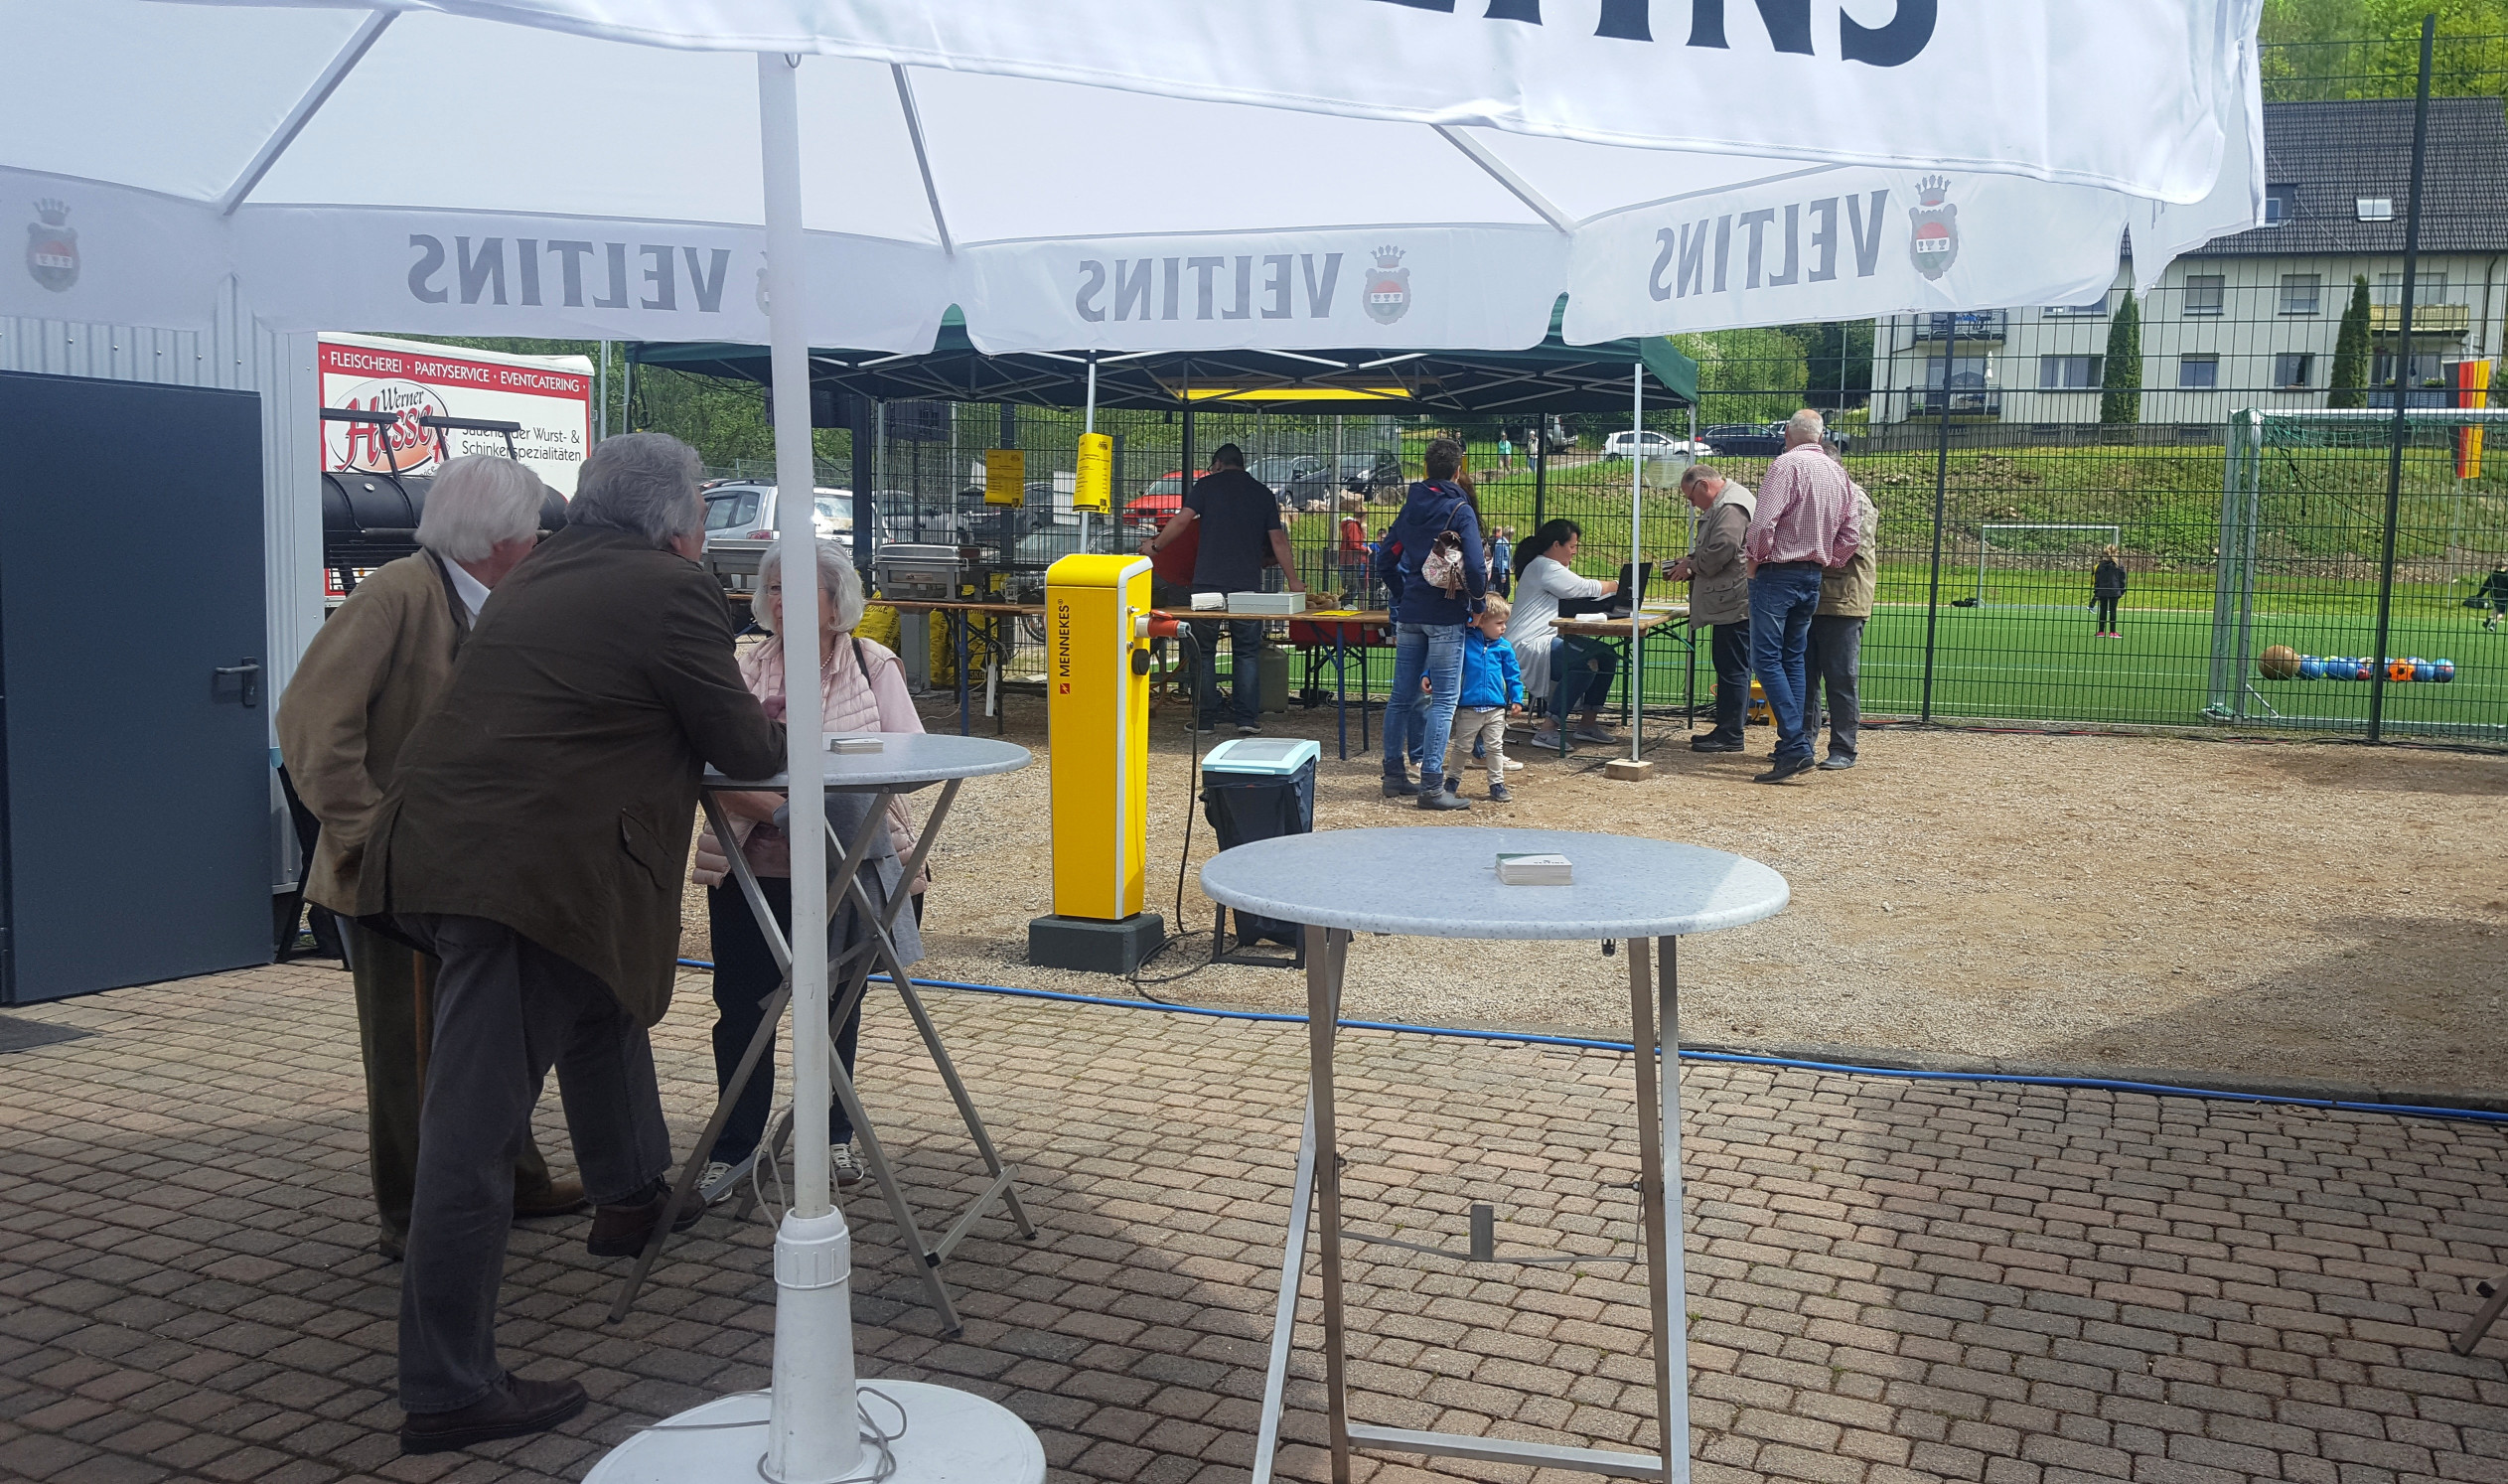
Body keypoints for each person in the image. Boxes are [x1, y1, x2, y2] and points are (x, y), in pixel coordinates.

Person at [356, 433, 786, 1456]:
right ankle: (448, 1387)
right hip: (522, 878)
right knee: (471, 1136)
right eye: (700, 514)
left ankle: (628, 1197)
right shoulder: (669, 588)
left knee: (602, 1001)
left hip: (467, 854)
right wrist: (775, 724)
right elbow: (742, 744)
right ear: (678, 523)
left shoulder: (537, 573)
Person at [277, 456, 585, 1262]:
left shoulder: (495, 597)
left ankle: (513, 1178)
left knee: (495, 1041)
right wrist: (371, 835)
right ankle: (414, 1215)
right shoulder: (396, 594)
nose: (542, 543)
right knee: (411, 1053)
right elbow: (310, 724)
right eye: (535, 531)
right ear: (499, 537)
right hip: (400, 883)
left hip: (484, 874)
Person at [691, 541, 922, 1203]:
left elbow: (912, 761)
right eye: (772, 588)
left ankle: (833, 1135)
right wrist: (785, 808)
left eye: (798, 587)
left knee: (837, 1007)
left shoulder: (873, 664)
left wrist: (822, 795)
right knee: (742, 1009)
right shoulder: (739, 670)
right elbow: (704, 766)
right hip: (752, 867)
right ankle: (733, 1148)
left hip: (849, 865)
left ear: (835, 602)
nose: (781, 599)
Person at [1140, 443, 1301, 734]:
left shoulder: (1206, 487)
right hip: (1246, 584)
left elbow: (1182, 520)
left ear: (1217, 464)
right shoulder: (1262, 493)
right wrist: (1293, 580)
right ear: (1241, 464)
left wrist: (1156, 546)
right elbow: (1278, 540)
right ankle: (1246, 719)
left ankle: (1204, 719)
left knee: (1203, 651)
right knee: (1247, 651)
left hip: (1207, 583)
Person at [1743, 410, 1859, 784]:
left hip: (1777, 573)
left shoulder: (1785, 466)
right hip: (1812, 575)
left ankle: (1795, 744)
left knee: (1766, 659)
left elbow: (1763, 523)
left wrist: (1755, 561)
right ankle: (1796, 744)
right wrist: (1828, 559)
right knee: (1793, 659)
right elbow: (1851, 533)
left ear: (1788, 434)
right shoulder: (1837, 472)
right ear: (1820, 436)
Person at [1375, 437, 1486, 809]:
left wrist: (1402, 593)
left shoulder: (1410, 507)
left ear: (1426, 468)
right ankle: (1432, 786)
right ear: (1458, 470)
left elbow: (1385, 559)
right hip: (1446, 613)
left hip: (1411, 613)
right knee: (1444, 700)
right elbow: (1474, 565)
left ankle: (1393, 775)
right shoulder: (1460, 508)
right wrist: (1478, 603)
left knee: (1401, 697)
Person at [1509, 519, 1621, 751]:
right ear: (1556, 545)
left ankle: (1587, 724)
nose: (1574, 552)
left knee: (1607, 656)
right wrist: (1617, 585)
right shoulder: (1544, 566)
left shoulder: (1547, 567)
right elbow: (1583, 588)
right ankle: (1547, 730)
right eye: (1572, 546)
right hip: (1529, 642)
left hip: (1548, 636)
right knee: (1583, 663)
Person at [1665, 465, 1754, 754]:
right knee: (1730, 666)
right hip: (1732, 599)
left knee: (1732, 668)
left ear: (1703, 485)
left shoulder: (1730, 506)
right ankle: (1727, 729)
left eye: (1691, 497)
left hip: (1734, 601)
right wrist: (1691, 560)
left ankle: (1730, 733)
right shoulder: (1731, 501)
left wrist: (1692, 566)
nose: (1692, 504)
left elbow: (1724, 547)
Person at [1808, 457, 1877, 771]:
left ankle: (1843, 748)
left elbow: (1851, 548)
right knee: (1804, 677)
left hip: (1843, 601)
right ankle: (1802, 744)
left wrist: (1802, 550)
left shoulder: (1855, 498)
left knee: (1840, 678)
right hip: (1810, 598)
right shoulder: (1815, 498)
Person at [1444, 595, 1525, 802]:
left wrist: (1517, 698)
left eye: (1505, 623)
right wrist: (1428, 675)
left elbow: (1513, 675)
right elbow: (1447, 662)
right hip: (1469, 707)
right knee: (1462, 746)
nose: (1504, 628)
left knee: (1495, 747)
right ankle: (1452, 780)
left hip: (1496, 707)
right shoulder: (1465, 643)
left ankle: (1497, 784)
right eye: (1499, 623)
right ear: (1481, 621)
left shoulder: (1504, 647)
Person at [1337, 494, 1373, 606]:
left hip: (1348, 559)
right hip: (1350, 560)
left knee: (1353, 587)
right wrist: (1365, 549)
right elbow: (1354, 544)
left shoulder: (1350, 525)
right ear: (1363, 516)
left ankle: (1344, 604)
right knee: (1354, 587)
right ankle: (1343, 605)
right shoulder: (1353, 526)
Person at [2093, 545, 2128, 638]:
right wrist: (2122, 590)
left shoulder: (2101, 565)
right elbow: (2122, 579)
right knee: (2113, 611)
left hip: (2102, 590)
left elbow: (2097, 579)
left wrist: (2096, 591)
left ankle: (2101, 631)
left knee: (2102, 610)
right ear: (2116, 553)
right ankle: (2112, 632)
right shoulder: (2118, 565)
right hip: (2114, 590)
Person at [2472, 563, 2508, 630]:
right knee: (2502, 612)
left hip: (2494, 595)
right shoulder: (2506, 575)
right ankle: (2493, 624)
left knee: (2497, 608)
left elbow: (2486, 585)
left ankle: (2487, 621)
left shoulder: (2493, 575)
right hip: (2504, 596)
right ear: (2504, 566)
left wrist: (2480, 594)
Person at [1490, 524, 1516, 598]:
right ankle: (1498, 604)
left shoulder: (1506, 543)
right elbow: (1499, 560)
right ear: (1509, 535)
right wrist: (1502, 575)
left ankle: (1500, 603)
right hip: (1500, 570)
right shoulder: (1500, 543)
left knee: (1506, 590)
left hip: (1505, 569)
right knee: (1500, 591)